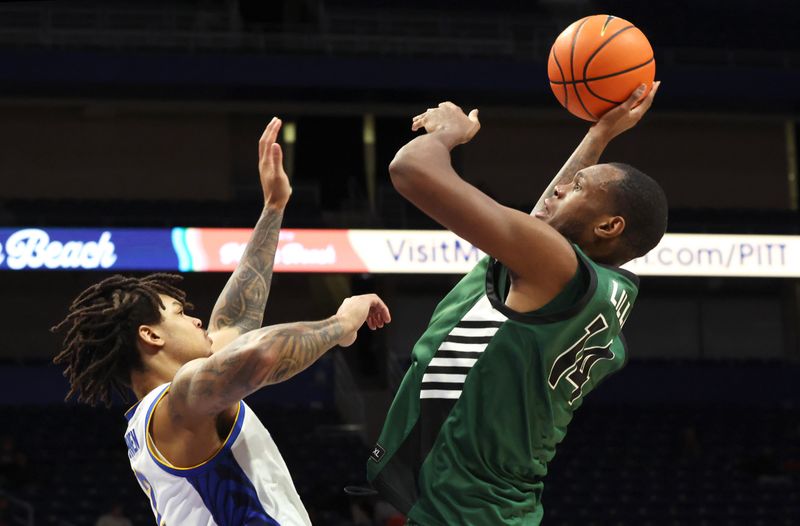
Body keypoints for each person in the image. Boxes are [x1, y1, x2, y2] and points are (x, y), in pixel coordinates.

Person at [52, 117, 392, 526]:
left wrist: (273, 208)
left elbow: (237, 320)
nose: (197, 321)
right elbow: (260, 354)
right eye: (180, 313)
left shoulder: (167, 410)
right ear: (150, 335)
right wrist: (340, 324)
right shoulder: (179, 402)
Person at [367, 83, 666, 525]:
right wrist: (599, 135)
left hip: (466, 509)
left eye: (578, 187)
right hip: (490, 505)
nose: (559, 190)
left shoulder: (557, 265)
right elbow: (541, 224)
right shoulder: (594, 284)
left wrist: (449, 134)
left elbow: (410, 170)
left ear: (609, 226)